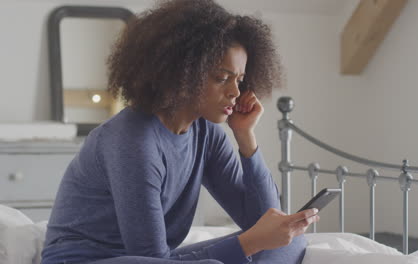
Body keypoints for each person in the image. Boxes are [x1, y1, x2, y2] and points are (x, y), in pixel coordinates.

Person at [41, 0, 319, 263]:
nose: (235, 91)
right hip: (84, 259)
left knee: (290, 240)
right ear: (182, 74)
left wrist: (246, 138)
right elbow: (151, 257)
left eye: (240, 79)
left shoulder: (207, 133)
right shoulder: (133, 141)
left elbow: (265, 220)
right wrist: (249, 244)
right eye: (222, 78)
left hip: (153, 258)